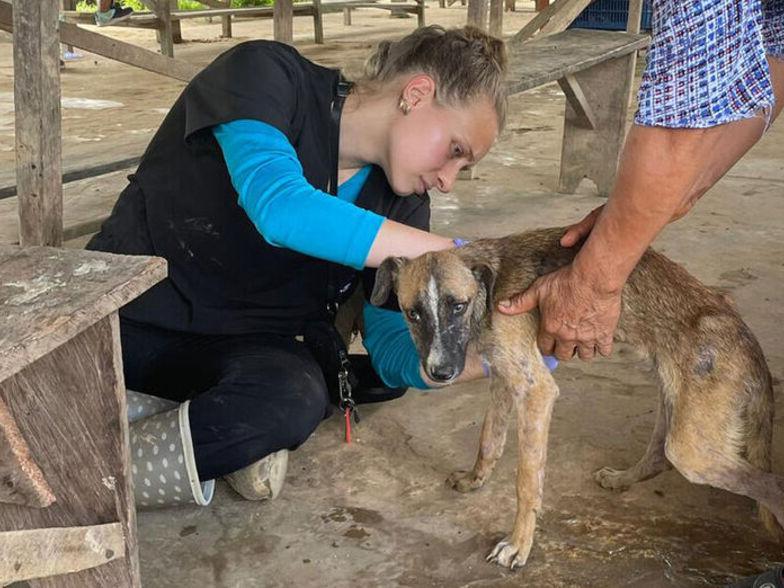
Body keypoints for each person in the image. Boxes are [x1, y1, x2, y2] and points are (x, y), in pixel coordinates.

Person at [87, 26, 506, 508]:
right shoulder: (265, 75)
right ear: (417, 93)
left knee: (295, 399)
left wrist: (482, 357)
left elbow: (393, 346)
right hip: (128, 317)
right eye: (455, 151)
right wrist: (464, 254)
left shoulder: (405, 208)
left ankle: (94, 466)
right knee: (50, 370)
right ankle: (189, 444)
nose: (448, 180)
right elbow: (281, 208)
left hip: (240, 352)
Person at [497, 2, 783, 585]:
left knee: (695, 457)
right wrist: (656, 202)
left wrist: (594, 281)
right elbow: (768, 73)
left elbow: (686, 120)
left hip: (703, 342)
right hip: (695, 334)